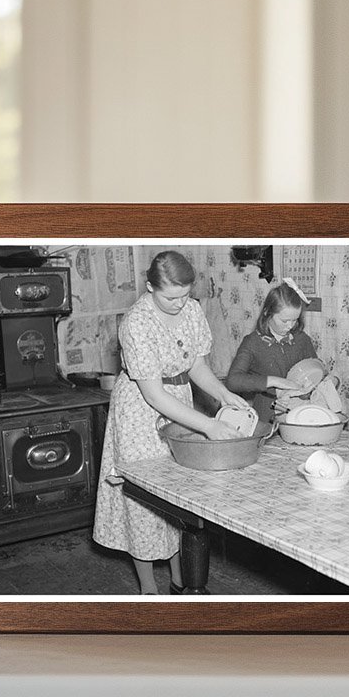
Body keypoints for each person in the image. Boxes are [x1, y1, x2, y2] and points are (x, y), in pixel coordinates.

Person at [93, 250, 251, 595]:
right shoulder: (136, 323)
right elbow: (153, 396)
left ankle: (182, 580)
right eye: (171, 297)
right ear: (150, 287)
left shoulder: (191, 310)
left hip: (179, 400)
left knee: (179, 495)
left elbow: (195, 364)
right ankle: (149, 587)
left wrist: (224, 395)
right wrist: (207, 426)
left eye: (186, 295)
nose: (181, 304)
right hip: (140, 411)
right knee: (144, 497)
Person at [224, 279, 321, 425]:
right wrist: (275, 381)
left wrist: (322, 380)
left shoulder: (301, 339)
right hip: (267, 415)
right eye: (284, 321)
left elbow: (315, 367)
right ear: (267, 313)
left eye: (294, 320)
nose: (290, 326)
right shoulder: (253, 342)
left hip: (298, 411)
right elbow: (233, 381)